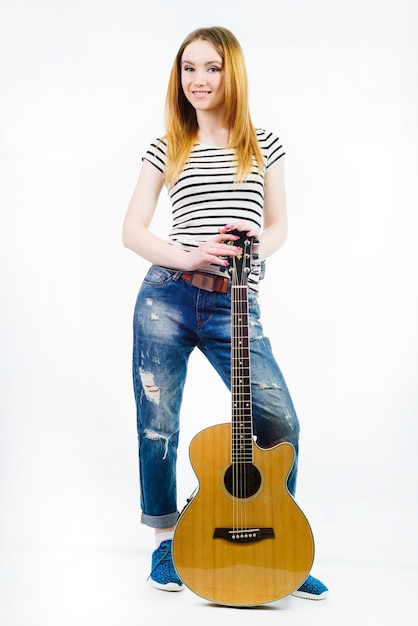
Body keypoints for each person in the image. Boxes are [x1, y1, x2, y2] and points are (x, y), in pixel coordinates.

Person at [122, 26, 328, 601]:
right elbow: (132, 231)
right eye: (189, 69)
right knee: (158, 425)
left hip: (234, 303)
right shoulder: (167, 145)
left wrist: (258, 241)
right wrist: (189, 253)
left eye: (211, 68)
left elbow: (280, 223)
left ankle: (279, 536)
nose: (199, 81)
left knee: (279, 423)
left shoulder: (264, 144)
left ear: (231, 72)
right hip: (165, 295)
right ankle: (166, 542)